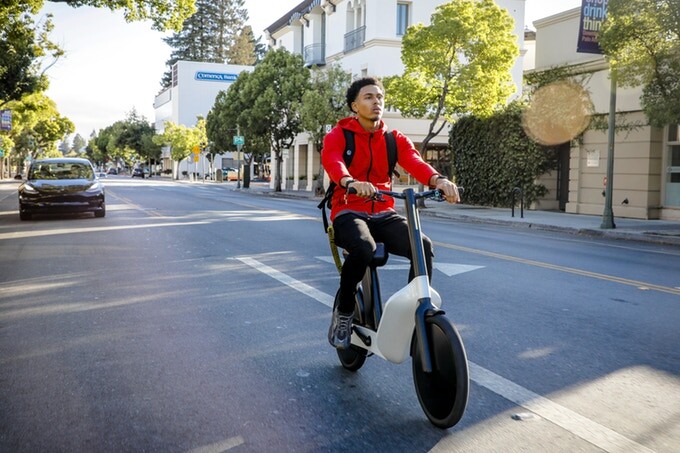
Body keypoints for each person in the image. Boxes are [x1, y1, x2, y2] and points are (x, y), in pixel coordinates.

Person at [322, 76, 460, 349]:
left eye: (379, 97)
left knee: (423, 246)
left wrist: (439, 180)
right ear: (355, 105)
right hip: (349, 210)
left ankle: (414, 311)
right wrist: (350, 182)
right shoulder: (339, 134)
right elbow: (333, 160)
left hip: (384, 212)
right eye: (368, 97)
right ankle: (344, 312)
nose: (376, 102)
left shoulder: (392, 139)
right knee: (364, 247)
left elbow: (415, 162)